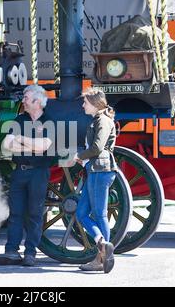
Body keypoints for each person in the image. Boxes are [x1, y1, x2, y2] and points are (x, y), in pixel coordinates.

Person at [0, 85, 54, 267]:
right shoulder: (19, 119)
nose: (23, 101)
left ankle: (30, 253)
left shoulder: (50, 121)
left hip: (39, 173)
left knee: (35, 213)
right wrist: (31, 145)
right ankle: (11, 251)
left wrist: (20, 139)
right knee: (15, 213)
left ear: (37, 101)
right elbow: (7, 144)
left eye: (26, 98)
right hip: (20, 171)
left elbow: (44, 146)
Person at [73, 87, 117, 273]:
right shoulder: (100, 120)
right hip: (96, 169)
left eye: (85, 102)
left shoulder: (103, 121)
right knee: (81, 213)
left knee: (99, 215)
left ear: (94, 103)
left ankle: (102, 258)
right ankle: (101, 242)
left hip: (101, 170)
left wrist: (79, 156)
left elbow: (97, 147)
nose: (83, 105)